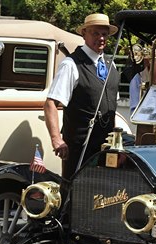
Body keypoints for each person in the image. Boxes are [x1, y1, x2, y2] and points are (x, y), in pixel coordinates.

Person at [44, 13, 120, 180]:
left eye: (104, 34)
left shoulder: (111, 64)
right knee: (75, 192)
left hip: (106, 147)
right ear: (84, 34)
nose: (101, 38)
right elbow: (51, 103)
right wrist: (57, 139)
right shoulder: (71, 64)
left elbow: (111, 105)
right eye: (95, 33)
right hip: (80, 147)